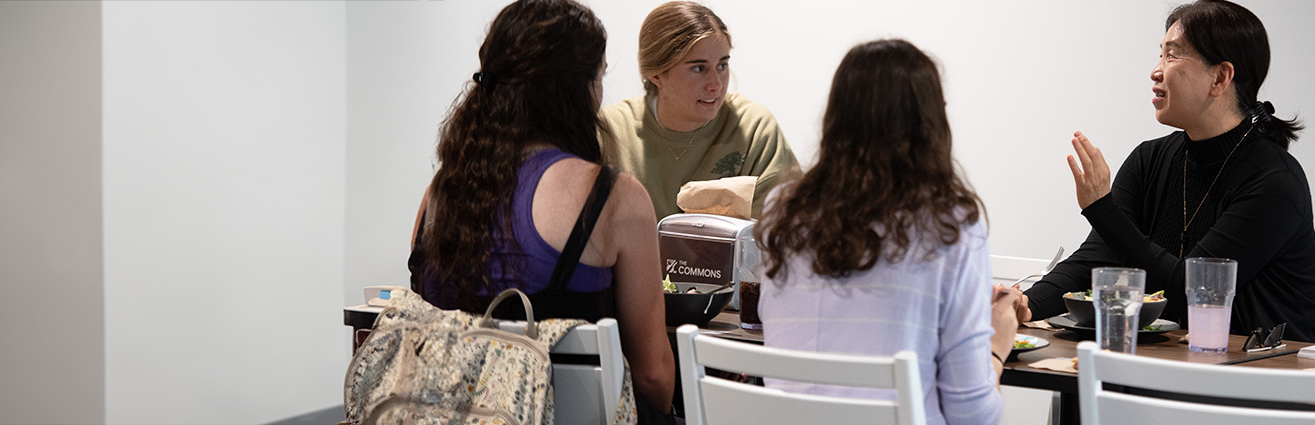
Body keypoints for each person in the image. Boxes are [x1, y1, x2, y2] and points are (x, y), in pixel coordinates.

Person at [405, 0, 675, 421]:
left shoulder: (439, 194)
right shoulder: (613, 197)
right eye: (600, 76)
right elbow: (652, 375)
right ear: (577, 88)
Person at [1022, 0, 1315, 346]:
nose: (1156, 71)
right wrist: (1026, 304)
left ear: (1220, 77)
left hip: (1283, 371)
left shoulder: (1274, 181)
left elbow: (1194, 289)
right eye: (1161, 55)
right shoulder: (1149, 159)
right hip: (1188, 362)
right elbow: (1096, 259)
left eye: (1172, 56)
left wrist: (1101, 208)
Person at [756, 39, 1023, 425]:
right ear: (931, 125)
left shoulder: (784, 211)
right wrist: (998, 342)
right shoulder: (952, 223)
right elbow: (974, 416)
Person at [598, 1, 801, 219]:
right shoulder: (609, 130)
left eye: (722, 65)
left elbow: (785, 231)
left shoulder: (755, 130)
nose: (716, 85)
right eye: (698, 68)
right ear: (656, 74)